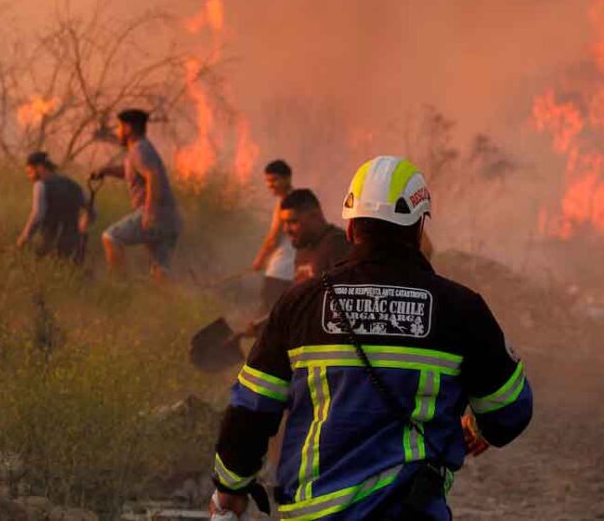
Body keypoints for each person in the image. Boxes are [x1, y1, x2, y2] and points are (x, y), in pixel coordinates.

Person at [209, 156, 533, 520]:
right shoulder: (460, 309)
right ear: (418, 228)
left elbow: (251, 408)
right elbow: (510, 411)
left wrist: (230, 487)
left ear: (350, 229)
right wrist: (478, 425)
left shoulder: (300, 304)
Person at [93, 109, 181, 281]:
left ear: (128, 128)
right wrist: (105, 170)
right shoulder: (142, 149)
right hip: (169, 217)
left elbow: (152, 175)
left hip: (157, 214)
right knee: (160, 271)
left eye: (119, 127)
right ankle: (171, 305)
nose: (117, 132)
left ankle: (119, 287)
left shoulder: (139, 150)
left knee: (111, 237)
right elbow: (131, 172)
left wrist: (149, 212)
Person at [16, 151, 88, 261]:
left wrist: (24, 237)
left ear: (40, 168)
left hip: (51, 243)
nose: (29, 177)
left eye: (30, 172)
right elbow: (91, 210)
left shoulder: (40, 185)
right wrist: (81, 226)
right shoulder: (73, 184)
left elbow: (38, 215)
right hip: (76, 245)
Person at [251, 160, 297, 311]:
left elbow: (273, 239)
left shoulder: (285, 203)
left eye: (274, 180)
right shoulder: (301, 200)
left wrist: (260, 259)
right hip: (294, 272)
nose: (270, 185)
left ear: (287, 178)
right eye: (268, 181)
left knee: (266, 315)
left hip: (280, 271)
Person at [279, 188, 350, 283]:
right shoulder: (303, 245)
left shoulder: (338, 244)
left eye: (293, 222)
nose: (286, 229)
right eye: (284, 223)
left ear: (315, 216)